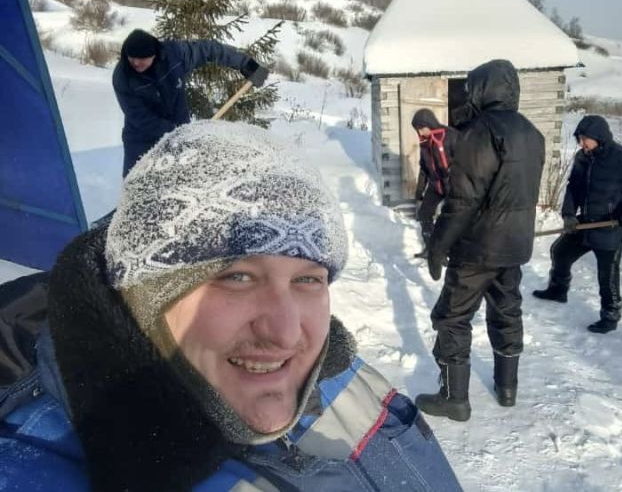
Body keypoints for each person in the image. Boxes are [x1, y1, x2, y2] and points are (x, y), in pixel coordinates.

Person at [0, 120, 462, 491]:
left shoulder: (338, 372)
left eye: (308, 280)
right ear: (140, 295)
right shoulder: (29, 470)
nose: (286, 334)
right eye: (237, 277)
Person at [415, 59, 545, 420]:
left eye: (472, 88)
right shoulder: (532, 133)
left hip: (476, 249)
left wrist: (438, 245)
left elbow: (463, 198)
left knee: (452, 317)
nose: (468, 95)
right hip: (515, 246)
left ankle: (454, 399)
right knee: (507, 311)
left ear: (484, 89)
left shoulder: (481, 132)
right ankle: (507, 389)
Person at [533, 114, 622, 334]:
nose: (581, 144)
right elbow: (573, 188)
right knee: (560, 251)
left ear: (599, 137)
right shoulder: (582, 158)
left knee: (607, 276)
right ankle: (558, 290)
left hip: (611, 226)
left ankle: (610, 315)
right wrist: (569, 215)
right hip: (585, 223)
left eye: (585, 139)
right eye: (579, 139)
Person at [113, 28, 269, 177]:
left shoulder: (174, 55)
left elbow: (209, 49)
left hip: (180, 133)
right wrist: (175, 132)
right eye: (132, 58)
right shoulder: (123, 76)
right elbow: (140, 117)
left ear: (154, 54)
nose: (136, 63)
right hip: (142, 139)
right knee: (138, 186)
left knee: (181, 181)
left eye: (142, 59)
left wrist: (245, 63)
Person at [411, 109, 458, 259]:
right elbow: (424, 167)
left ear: (429, 124)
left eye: (421, 128)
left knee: (451, 218)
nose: (420, 132)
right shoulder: (424, 142)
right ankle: (430, 249)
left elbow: (464, 159)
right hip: (436, 184)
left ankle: (447, 251)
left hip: (453, 185)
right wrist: (419, 190)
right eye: (417, 129)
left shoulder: (450, 135)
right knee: (424, 214)